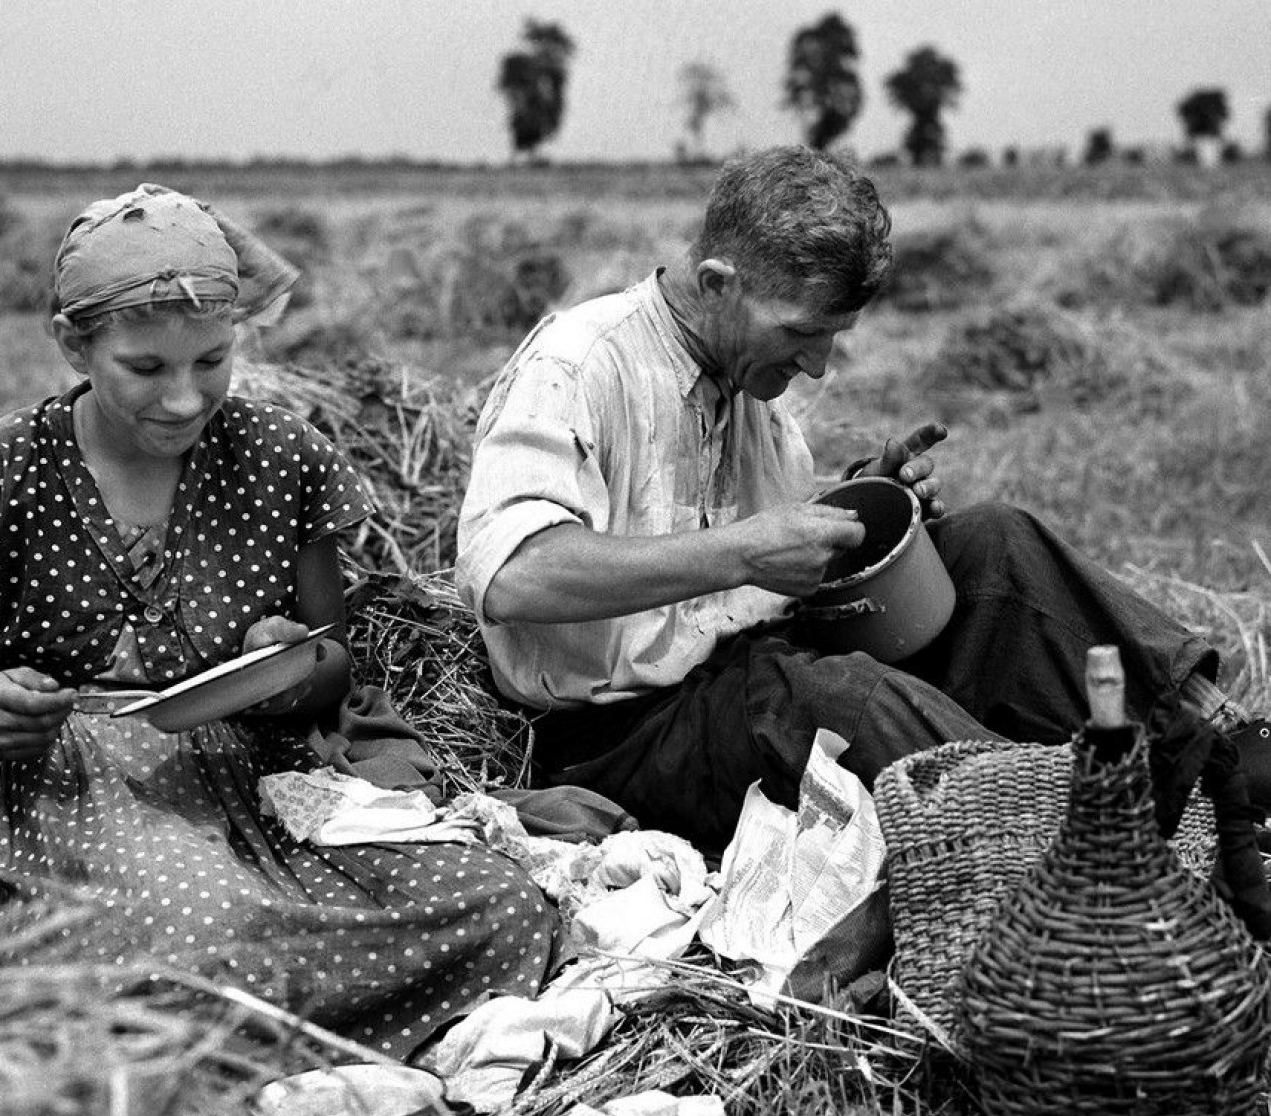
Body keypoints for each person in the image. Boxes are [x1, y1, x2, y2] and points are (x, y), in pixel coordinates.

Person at [0, 184, 558, 1060]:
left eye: (211, 362)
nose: (184, 399)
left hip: (241, 788)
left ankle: (220, 1031)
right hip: (52, 798)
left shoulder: (280, 459)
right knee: (204, 927)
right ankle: (218, 1025)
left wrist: (289, 667)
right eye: (146, 368)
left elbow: (335, 664)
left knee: (502, 905)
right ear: (74, 344)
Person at [456, 145, 1269, 868]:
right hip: (625, 736)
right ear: (716, 285)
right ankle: (1103, 858)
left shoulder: (748, 380)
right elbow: (516, 574)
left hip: (752, 666)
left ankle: (1221, 748)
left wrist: (861, 501)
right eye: (804, 333)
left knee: (994, 545)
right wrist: (744, 550)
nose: (817, 366)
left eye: (833, 337)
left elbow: (749, 545)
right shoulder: (579, 365)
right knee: (841, 699)